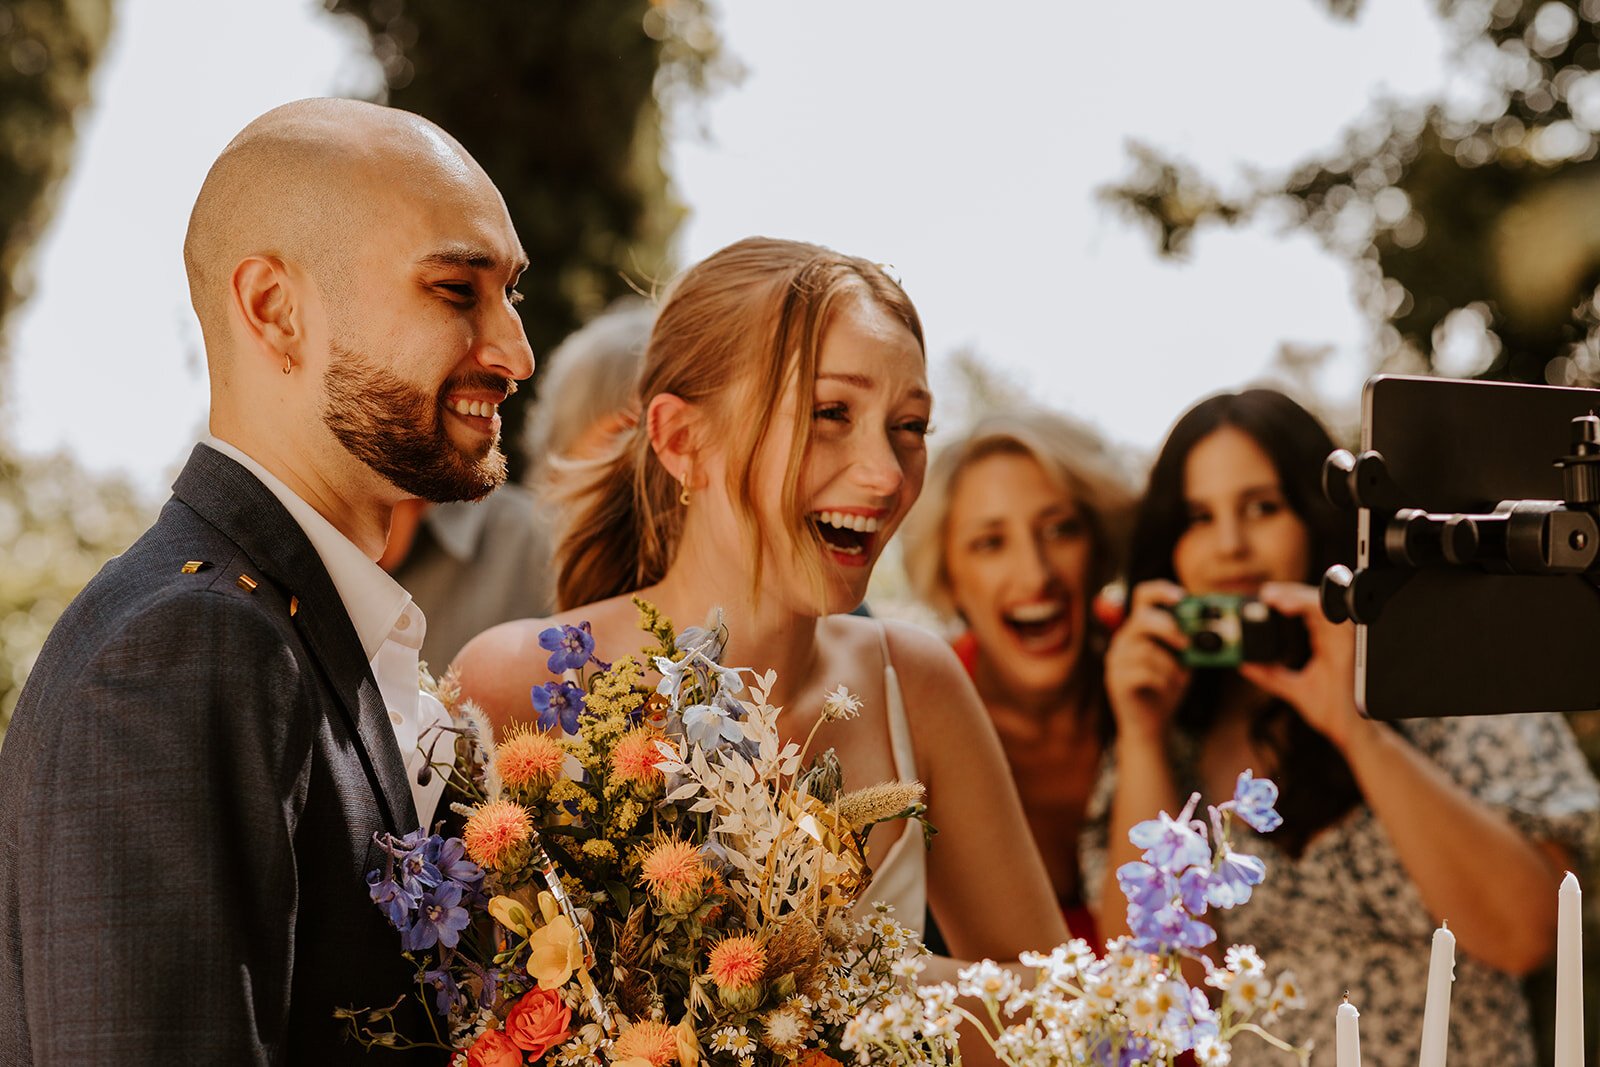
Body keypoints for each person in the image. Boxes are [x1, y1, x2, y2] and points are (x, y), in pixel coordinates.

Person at [0, 98, 535, 1063]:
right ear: (275, 308)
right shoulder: (191, 650)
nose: (514, 352)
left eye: (513, 295)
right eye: (458, 290)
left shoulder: (286, 627)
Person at [455, 237, 1069, 978]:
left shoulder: (918, 685)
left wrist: (824, 998)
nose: (885, 475)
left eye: (909, 426)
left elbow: (1058, 1012)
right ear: (683, 440)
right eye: (831, 412)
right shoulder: (512, 685)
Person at [1081, 388, 1600, 1067]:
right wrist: (1143, 734)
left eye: (1262, 507)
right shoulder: (1169, 739)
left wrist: (1358, 728)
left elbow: (1528, 934)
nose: (1230, 545)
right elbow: (1152, 990)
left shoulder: (1446, 681)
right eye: (1199, 517)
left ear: (1321, 517)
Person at [899, 408, 1133, 941]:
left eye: (1060, 530)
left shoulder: (1163, 671)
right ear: (948, 575)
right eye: (990, 543)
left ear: (1098, 548)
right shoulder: (912, 720)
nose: (1036, 574)